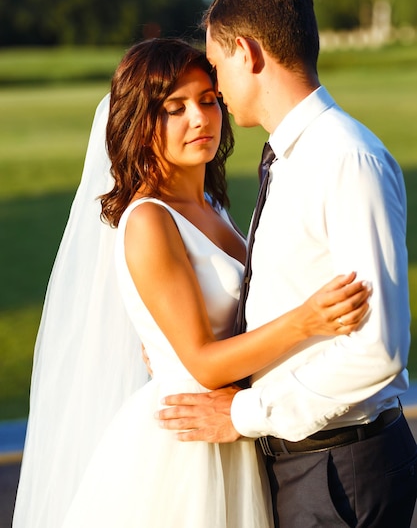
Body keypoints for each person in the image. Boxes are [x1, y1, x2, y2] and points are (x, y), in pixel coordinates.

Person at [12, 38, 370, 528]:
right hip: (188, 448)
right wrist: (307, 320)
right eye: (174, 108)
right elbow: (201, 362)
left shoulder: (211, 208)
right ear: (140, 125)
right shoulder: (149, 221)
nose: (200, 119)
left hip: (235, 429)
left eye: (207, 100)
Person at [157, 0, 417, 527]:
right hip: (304, 459)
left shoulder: (345, 159)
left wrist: (245, 413)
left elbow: (379, 348)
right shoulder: (290, 156)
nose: (217, 87)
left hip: (338, 467)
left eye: (217, 64)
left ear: (247, 53)